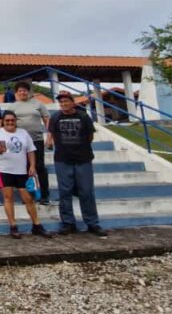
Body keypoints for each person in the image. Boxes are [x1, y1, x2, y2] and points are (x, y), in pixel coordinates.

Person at [47, 94, 107, 237]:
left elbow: (90, 136)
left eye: (66, 101)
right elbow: (52, 133)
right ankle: (68, 223)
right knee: (65, 192)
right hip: (63, 159)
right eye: (61, 102)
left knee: (86, 191)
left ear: (73, 102)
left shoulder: (83, 116)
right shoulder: (55, 117)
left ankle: (92, 222)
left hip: (83, 159)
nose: (64, 104)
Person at [0, 112, 51, 239]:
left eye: (12, 120)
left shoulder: (23, 133)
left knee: (28, 198)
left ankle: (36, 225)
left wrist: (32, 166)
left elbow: (31, 150)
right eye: (7, 120)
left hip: (21, 171)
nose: (10, 122)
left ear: (16, 121)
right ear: (3, 121)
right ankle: (13, 226)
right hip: (3, 170)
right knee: (8, 198)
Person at [6, 82, 51, 204]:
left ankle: (45, 195)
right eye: (20, 91)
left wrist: (49, 136)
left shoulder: (38, 104)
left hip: (36, 140)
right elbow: (7, 123)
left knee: (39, 167)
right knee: (23, 168)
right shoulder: (12, 106)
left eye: (24, 90)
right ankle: (27, 196)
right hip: (19, 142)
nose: (22, 92)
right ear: (16, 93)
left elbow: (46, 119)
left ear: (29, 92)